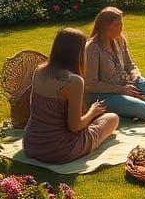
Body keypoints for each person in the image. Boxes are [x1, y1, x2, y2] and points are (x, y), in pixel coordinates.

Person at [23, 28, 119, 163]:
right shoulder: (73, 81)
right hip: (60, 150)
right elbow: (74, 126)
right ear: (78, 52)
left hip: (32, 144)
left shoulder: (39, 70)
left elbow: (35, 107)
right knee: (112, 118)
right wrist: (93, 112)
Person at [85, 7, 145, 120]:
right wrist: (119, 89)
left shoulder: (120, 40)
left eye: (121, 24)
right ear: (105, 27)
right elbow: (91, 84)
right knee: (142, 109)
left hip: (126, 83)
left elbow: (130, 65)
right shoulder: (92, 49)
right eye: (116, 25)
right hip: (104, 94)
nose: (120, 29)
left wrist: (134, 77)